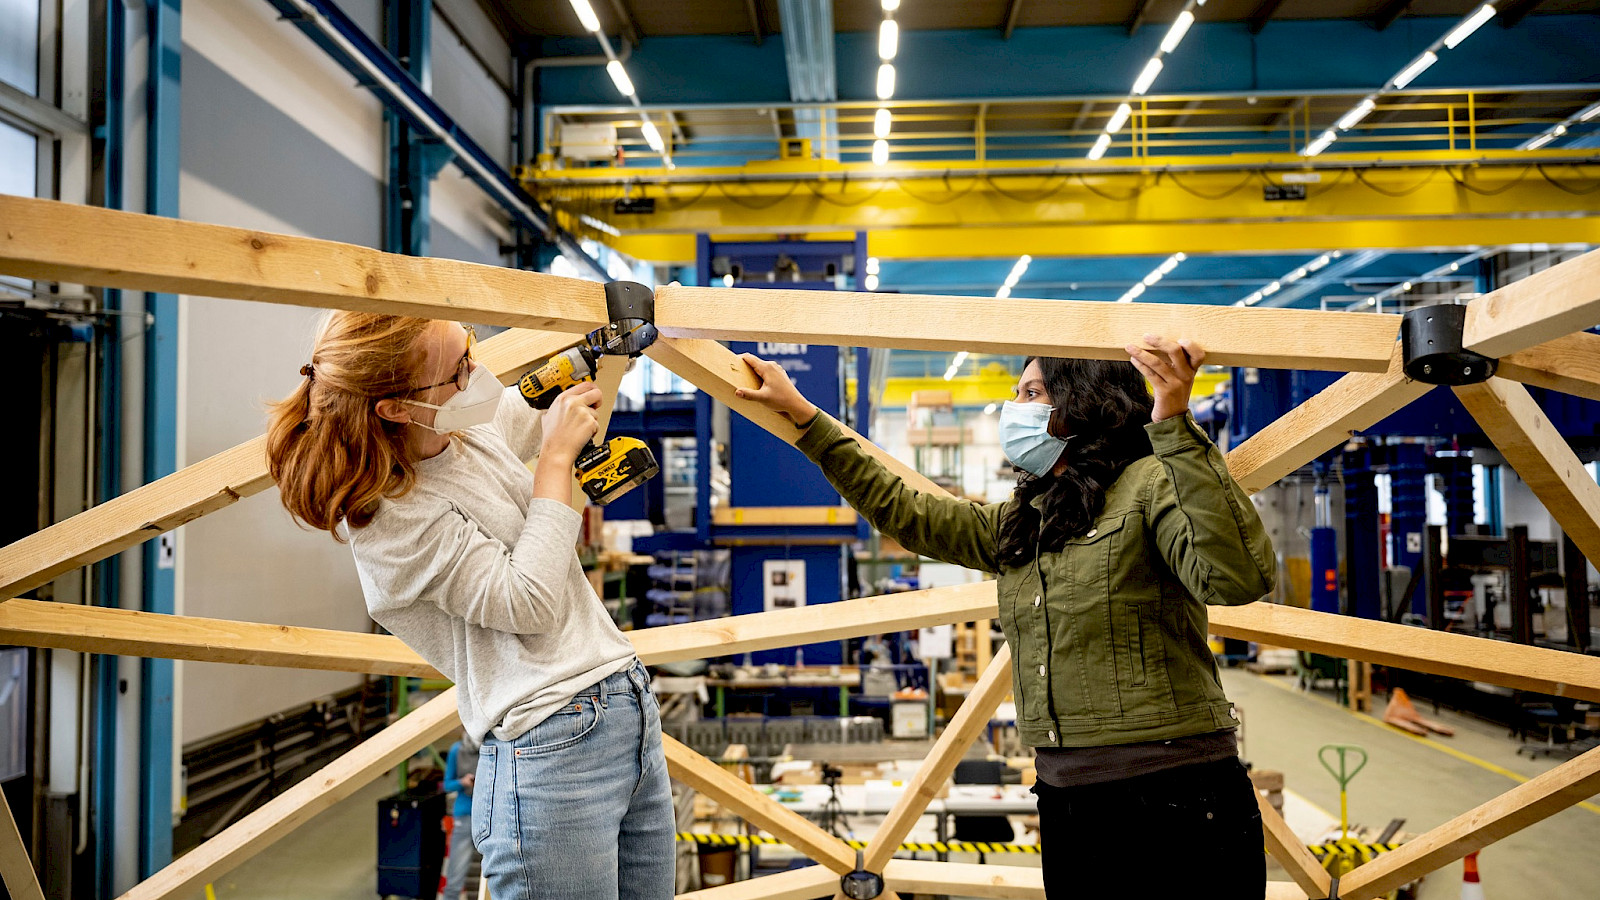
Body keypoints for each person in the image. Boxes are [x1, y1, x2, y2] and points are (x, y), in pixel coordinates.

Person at [735, 336, 1274, 899]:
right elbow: (909, 512)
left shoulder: (1150, 483)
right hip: (1068, 798)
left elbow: (1236, 578)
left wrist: (1175, 426)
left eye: (1032, 392)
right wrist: (803, 416)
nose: (1015, 409)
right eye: (1016, 393)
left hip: (1174, 794)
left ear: (1081, 401)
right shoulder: (1027, 520)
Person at [266, 313, 673, 900]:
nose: (476, 374)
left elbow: (515, 410)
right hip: (552, 739)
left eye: (470, 351)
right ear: (395, 408)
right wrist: (557, 463)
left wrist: (594, 353)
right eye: (458, 370)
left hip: (624, 709)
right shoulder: (392, 522)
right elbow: (526, 601)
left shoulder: (455, 430)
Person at [441, 736, 480, 900]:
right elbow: (447, 784)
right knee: (455, 879)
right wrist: (463, 782)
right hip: (465, 817)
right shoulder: (457, 750)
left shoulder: (492, 746)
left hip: (489, 816)